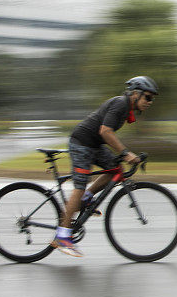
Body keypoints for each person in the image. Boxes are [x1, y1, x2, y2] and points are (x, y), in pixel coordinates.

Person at [52, 76, 159, 257]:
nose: (149, 102)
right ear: (135, 94)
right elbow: (105, 131)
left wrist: (123, 155)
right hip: (82, 143)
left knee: (115, 170)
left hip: (94, 145)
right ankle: (62, 236)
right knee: (80, 184)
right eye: (147, 97)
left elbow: (105, 134)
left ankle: (85, 199)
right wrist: (125, 153)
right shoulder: (120, 104)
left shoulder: (126, 109)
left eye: (151, 99)